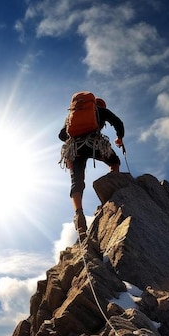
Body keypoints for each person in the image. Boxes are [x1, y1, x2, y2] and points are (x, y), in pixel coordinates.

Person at [59, 95, 125, 240]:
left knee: (76, 181)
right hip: (94, 144)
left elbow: (62, 135)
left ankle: (79, 216)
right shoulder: (101, 111)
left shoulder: (72, 115)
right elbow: (118, 122)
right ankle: (110, 196)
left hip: (75, 148)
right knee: (114, 162)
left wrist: (75, 137)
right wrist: (119, 138)